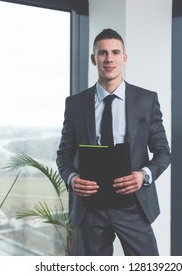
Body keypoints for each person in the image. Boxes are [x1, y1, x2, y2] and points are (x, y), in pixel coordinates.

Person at [56, 28, 171, 256]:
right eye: (102, 53)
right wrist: (71, 178)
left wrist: (144, 175)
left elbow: (163, 153)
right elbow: (64, 154)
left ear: (124, 58)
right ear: (93, 59)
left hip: (133, 205)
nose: (109, 58)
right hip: (90, 207)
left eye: (115, 52)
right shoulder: (75, 104)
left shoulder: (147, 100)